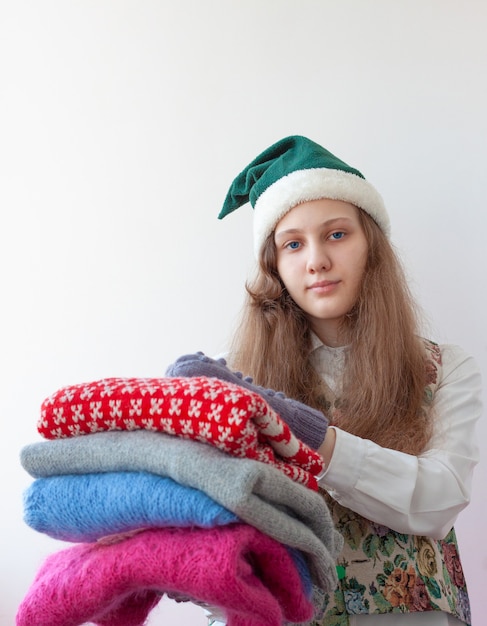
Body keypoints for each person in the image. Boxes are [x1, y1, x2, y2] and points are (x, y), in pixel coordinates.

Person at [210, 135, 481, 626]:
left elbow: (440, 499)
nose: (316, 260)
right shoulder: (234, 381)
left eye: (336, 234)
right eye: (293, 243)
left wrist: (318, 442)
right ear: (275, 266)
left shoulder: (447, 369)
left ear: (371, 247)